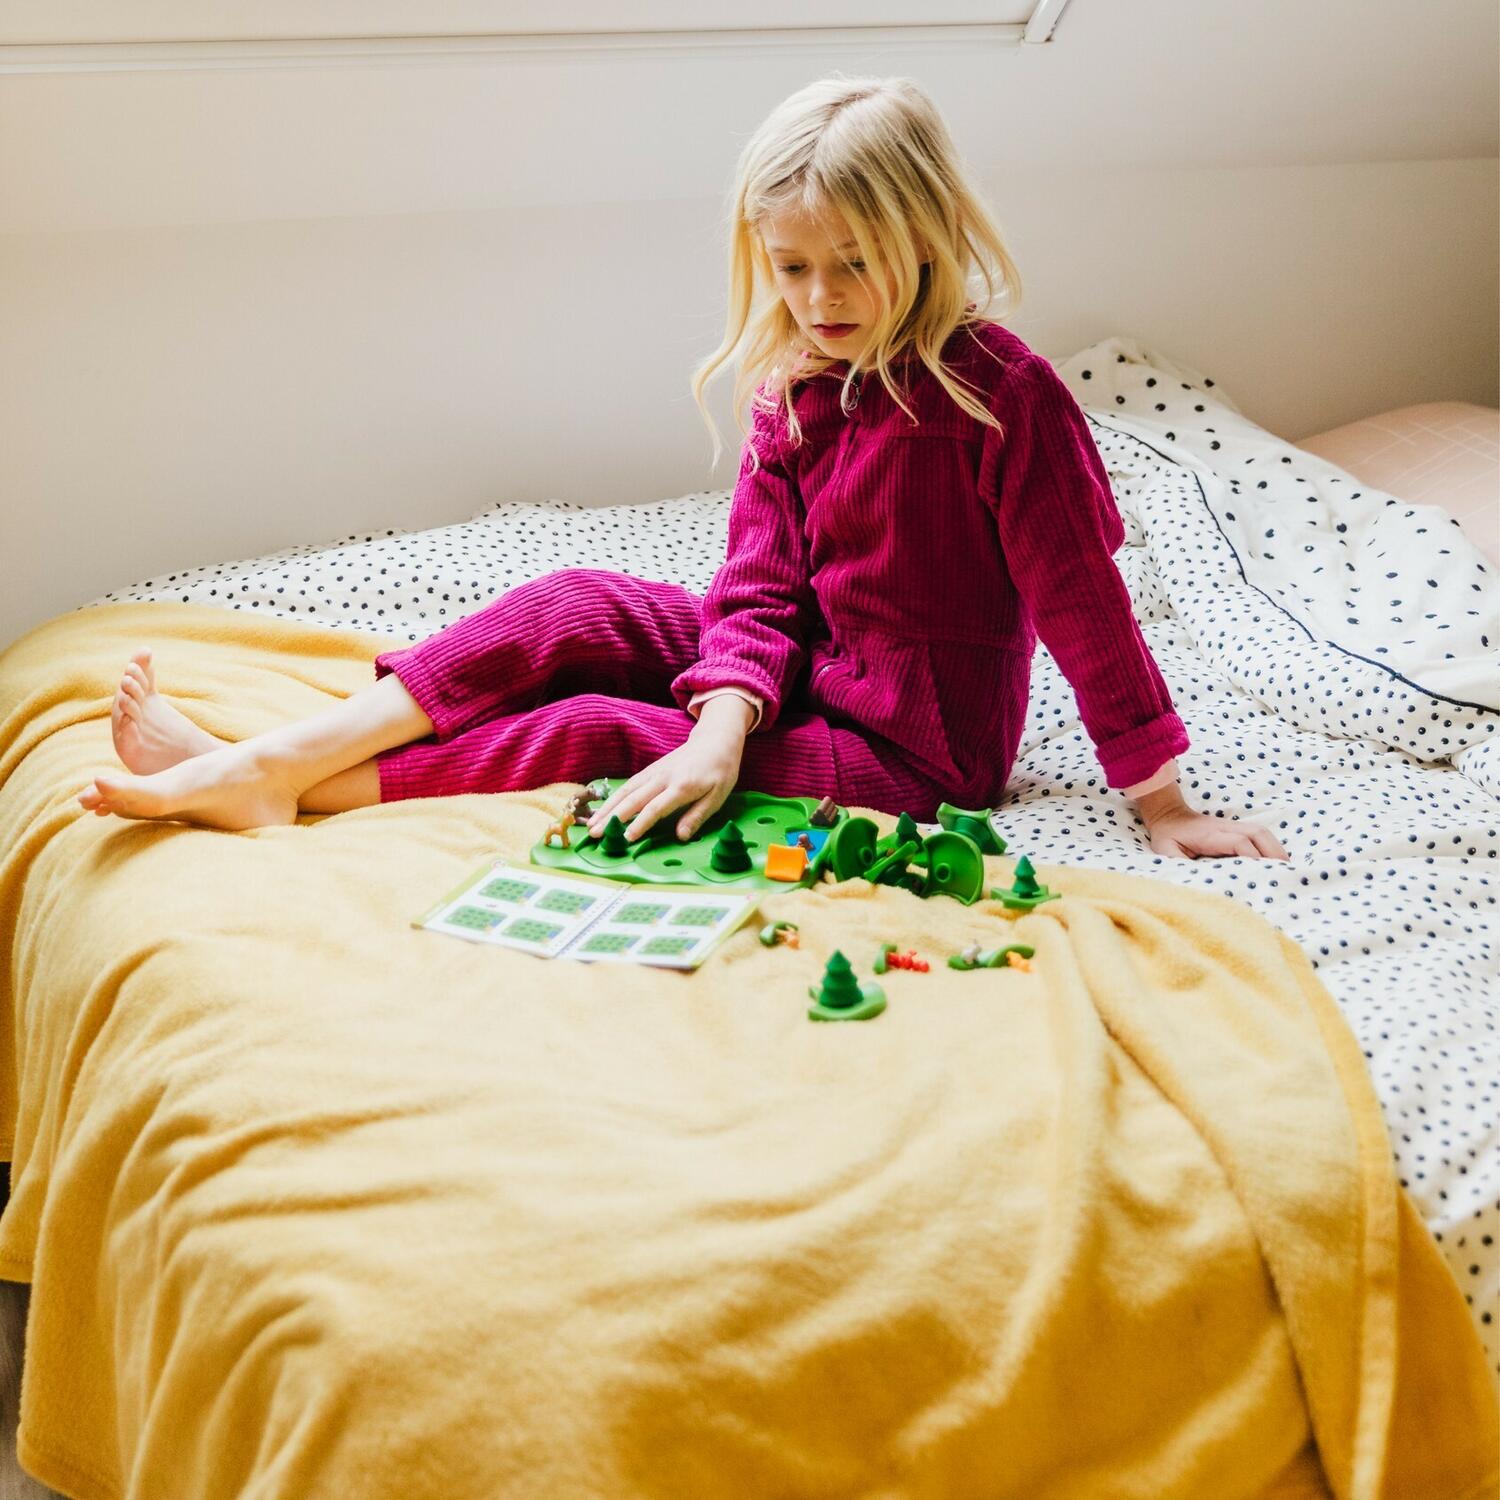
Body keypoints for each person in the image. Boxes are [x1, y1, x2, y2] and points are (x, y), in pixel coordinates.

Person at [77, 75, 1285, 861]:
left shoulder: (1003, 398)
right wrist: (729, 714)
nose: (819, 300)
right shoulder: (796, 391)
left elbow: (1086, 603)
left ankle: (298, 790)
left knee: (609, 727)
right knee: (575, 603)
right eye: (793, 267)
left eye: (854, 265)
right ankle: (280, 755)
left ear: (927, 240)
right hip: (808, 669)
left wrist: (1162, 801)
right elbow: (758, 595)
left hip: (911, 748)